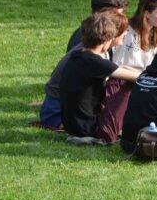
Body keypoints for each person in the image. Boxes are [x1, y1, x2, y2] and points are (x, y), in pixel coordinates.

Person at [59, 10, 141, 143]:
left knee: (119, 79)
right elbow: (136, 78)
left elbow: (119, 69)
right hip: (91, 130)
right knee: (126, 83)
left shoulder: (77, 56)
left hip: (73, 126)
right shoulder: (95, 62)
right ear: (107, 40)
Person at [105, 0, 157, 136]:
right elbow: (116, 66)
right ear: (147, 14)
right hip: (122, 82)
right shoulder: (125, 31)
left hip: (147, 81)